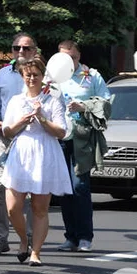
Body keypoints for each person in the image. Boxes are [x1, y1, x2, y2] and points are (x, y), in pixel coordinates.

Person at [1, 57, 72, 266]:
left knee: (40, 208)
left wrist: (42, 117)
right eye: (28, 75)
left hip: (44, 153)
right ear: (23, 77)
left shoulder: (52, 101)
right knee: (13, 207)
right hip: (21, 153)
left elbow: (61, 132)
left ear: (43, 77)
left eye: (36, 75)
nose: (32, 78)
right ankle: (24, 240)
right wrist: (21, 121)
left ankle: (36, 252)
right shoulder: (16, 100)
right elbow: (7, 130)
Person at [54, 40, 111, 253]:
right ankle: (71, 237)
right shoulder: (53, 76)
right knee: (63, 188)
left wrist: (83, 106)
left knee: (79, 186)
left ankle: (85, 236)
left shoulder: (91, 76)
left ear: (80, 56)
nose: (69, 61)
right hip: (58, 136)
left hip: (82, 137)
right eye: (65, 57)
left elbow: (106, 103)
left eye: (74, 57)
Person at [0, 32, 36, 254]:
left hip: (30, 141)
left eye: (26, 48)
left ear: (34, 51)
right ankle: (0, 238)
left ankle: (27, 237)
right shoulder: (2, 74)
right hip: (5, 140)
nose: (20, 52)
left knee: (27, 192)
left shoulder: (41, 76)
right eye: (16, 47)